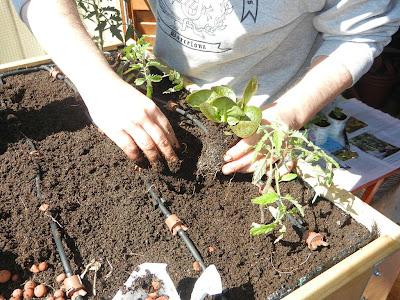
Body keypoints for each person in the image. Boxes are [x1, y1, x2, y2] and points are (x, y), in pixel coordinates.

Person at [12, 0, 400, 175]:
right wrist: (99, 84)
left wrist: (291, 112)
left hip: (276, 109)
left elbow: (362, 32)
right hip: (171, 86)